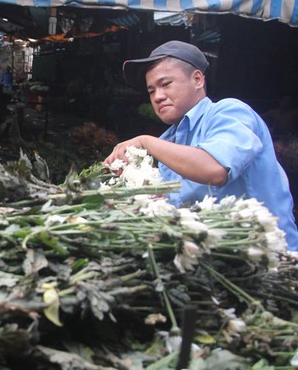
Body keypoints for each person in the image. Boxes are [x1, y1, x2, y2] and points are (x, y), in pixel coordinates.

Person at [104, 40, 298, 251]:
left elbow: (214, 169)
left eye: (166, 84)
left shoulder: (230, 112)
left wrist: (146, 141)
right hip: (220, 261)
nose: (157, 97)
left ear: (197, 79)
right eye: (151, 91)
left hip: (273, 258)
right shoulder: (170, 140)